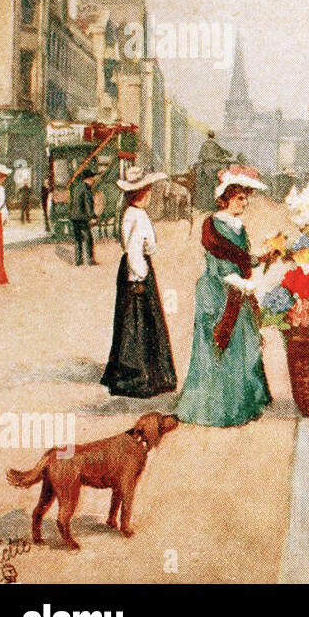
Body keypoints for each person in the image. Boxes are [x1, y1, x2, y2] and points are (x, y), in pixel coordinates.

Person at [175, 165, 275, 428]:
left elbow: (241, 257)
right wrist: (240, 282)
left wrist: (262, 258)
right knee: (220, 345)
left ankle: (246, 402)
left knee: (245, 345)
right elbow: (219, 263)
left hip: (237, 289)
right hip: (219, 291)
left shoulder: (238, 225)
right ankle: (219, 409)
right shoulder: (214, 226)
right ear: (224, 199)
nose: (245, 202)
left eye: (246, 197)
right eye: (240, 197)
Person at [101, 167, 177, 399]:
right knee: (141, 321)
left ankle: (125, 369)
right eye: (148, 193)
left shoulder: (128, 214)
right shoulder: (140, 217)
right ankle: (140, 374)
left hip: (129, 269)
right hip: (137, 272)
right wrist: (139, 277)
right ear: (141, 195)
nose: (150, 196)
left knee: (130, 320)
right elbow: (136, 250)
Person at [70, 167, 99, 266]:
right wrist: (93, 216)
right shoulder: (87, 189)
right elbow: (88, 204)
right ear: (89, 179)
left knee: (78, 239)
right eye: (93, 178)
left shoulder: (77, 188)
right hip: (82, 217)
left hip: (74, 217)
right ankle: (90, 260)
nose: (94, 180)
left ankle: (78, 260)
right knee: (88, 238)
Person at [12, 160, 33, 224]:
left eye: (27, 182)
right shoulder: (22, 188)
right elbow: (19, 192)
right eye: (25, 182)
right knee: (22, 211)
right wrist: (18, 197)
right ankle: (22, 220)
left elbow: (31, 193)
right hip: (23, 200)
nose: (26, 183)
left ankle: (28, 219)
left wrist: (30, 197)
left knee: (27, 211)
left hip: (27, 200)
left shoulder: (29, 188)